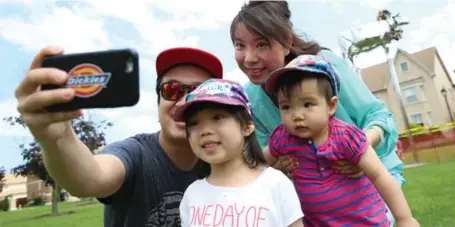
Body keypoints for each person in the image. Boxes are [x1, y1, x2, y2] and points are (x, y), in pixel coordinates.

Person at [229, 1, 404, 225]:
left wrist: (360, 151)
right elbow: (262, 158)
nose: (249, 58)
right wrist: (278, 166)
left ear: (286, 43)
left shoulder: (325, 66)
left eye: (262, 44)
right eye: (240, 45)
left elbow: (378, 116)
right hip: (319, 209)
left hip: (369, 194)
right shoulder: (251, 97)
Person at [14, 46, 223, 227]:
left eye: (198, 91)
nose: (184, 101)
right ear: (158, 100)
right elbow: (90, 178)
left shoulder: (220, 163)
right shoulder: (135, 154)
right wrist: (57, 139)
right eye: (172, 89)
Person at [263, 54, 419, 227]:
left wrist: (405, 219)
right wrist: (277, 168)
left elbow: (380, 176)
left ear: (331, 106)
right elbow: (259, 164)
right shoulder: (283, 137)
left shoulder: (346, 137)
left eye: (307, 104)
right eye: (286, 106)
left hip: (365, 222)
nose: (296, 115)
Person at [173, 78, 304, 227]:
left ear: (248, 126)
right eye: (194, 123)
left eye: (218, 117)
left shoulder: (276, 184)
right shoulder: (192, 194)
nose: (205, 131)